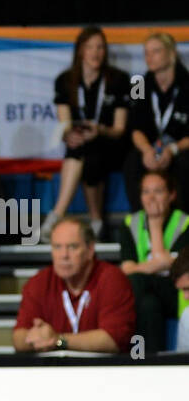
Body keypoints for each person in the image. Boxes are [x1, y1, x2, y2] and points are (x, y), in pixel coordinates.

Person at [47, 27, 130, 234]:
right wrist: (70, 134)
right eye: (90, 47)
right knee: (79, 150)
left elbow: (120, 129)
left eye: (100, 47)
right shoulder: (65, 80)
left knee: (89, 151)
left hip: (111, 143)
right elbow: (64, 124)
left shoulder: (119, 79)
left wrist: (100, 130)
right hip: (82, 145)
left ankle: (56, 216)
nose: (96, 52)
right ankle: (95, 222)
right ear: (80, 51)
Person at [12, 218, 135, 354]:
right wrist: (37, 338)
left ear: (90, 250)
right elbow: (18, 337)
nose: (64, 255)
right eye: (57, 247)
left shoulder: (112, 279)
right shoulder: (38, 282)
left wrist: (59, 340)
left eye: (72, 247)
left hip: (104, 370)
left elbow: (113, 340)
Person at [117, 170, 188, 353]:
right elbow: (127, 270)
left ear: (171, 195)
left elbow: (181, 270)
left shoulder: (185, 223)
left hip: (179, 292)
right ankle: (150, 361)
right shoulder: (129, 224)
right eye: (145, 192)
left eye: (158, 191)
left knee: (136, 281)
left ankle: (137, 355)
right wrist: (164, 261)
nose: (151, 198)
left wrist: (155, 224)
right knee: (148, 304)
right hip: (146, 294)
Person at [123, 33, 189, 215]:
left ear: (172, 53)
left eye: (156, 51)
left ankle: (182, 224)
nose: (149, 57)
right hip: (151, 148)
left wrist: (173, 149)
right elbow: (135, 128)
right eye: (146, 53)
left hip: (179, 148)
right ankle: (140, 221)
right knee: (133, 161)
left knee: (184, 164)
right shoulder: (138, 84)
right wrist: (146, 150)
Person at [172, 252, 189, 351]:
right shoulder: (187, 316)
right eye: (182, 290)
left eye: (187, 288)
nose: (185, 297)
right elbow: (184, 362)